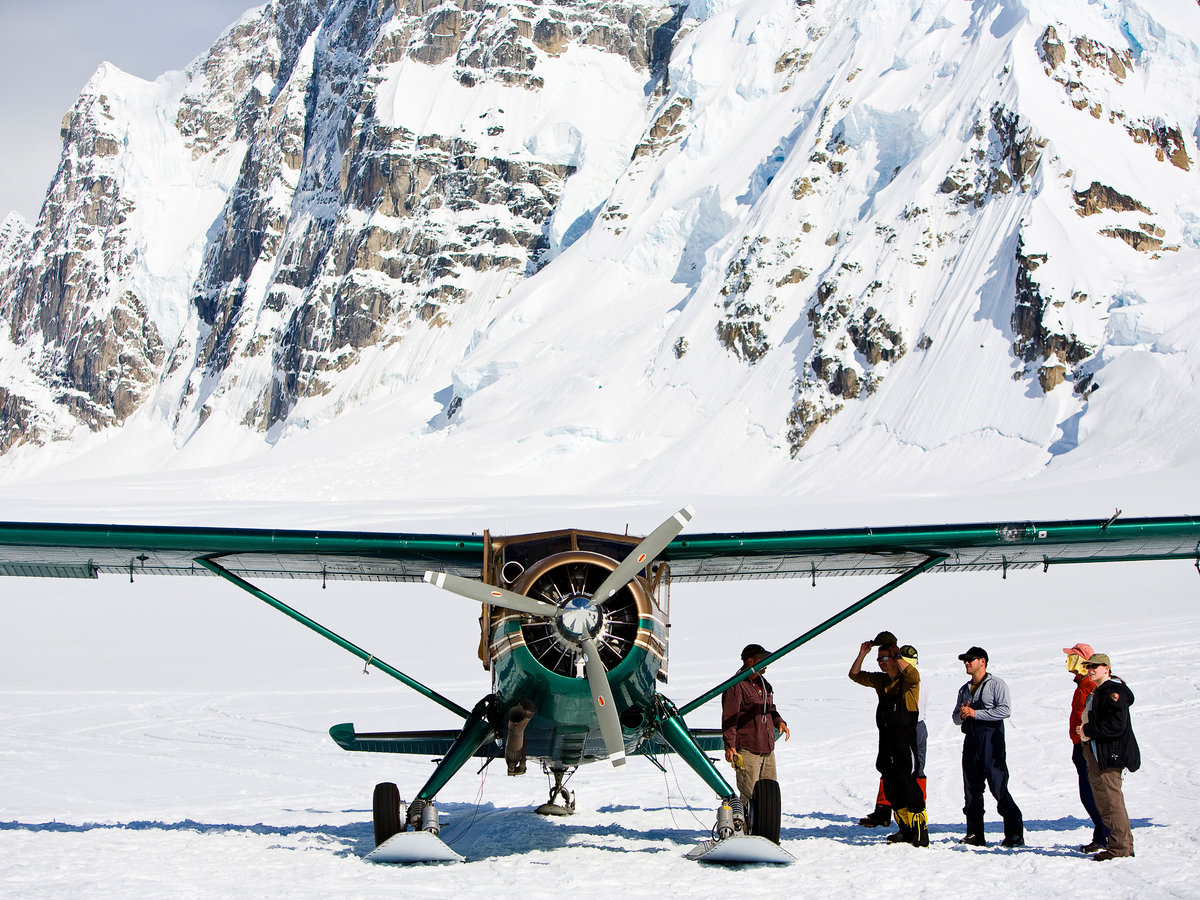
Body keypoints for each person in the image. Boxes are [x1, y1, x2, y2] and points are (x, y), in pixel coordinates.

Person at [850, 636, 928, 846]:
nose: (881, 662)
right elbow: (854, 675)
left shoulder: (909, 682)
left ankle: (920, 831)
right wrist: (863, 654)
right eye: (879, 659)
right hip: (886, 741)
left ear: (895, 657)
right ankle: (905, 830)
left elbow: (913, 674)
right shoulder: (881, 681)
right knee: (892, 787)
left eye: (885, 657)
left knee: (908, 784)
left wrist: (897, 654)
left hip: (905, 741)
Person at [952, 646, 1024, 847]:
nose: (966, 663)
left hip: (991, 741)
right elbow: (955, 717)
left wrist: (976, 714)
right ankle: (975, 833)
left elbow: (1005, 710)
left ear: (982, 661)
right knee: (971, 788)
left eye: (970, 659)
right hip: (971, 741)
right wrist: (963, 714)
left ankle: (1014, 832)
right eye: (964, 660)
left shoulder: (996, 684)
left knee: (998, 786)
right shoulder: (964, 688)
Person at [1077, 652, 1140, 861]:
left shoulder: (1113, 690)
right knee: (1107, 801)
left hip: (1108, 754)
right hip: (1098, 753)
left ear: (1107, 668)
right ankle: (1122, 845)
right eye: (1088, 667)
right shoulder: (1100, 691)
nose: (1090, 670)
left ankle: (1120, 848)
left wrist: (1088, 729)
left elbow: (1115, 725)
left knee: (1111, 801)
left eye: (1095, 666)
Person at [722, 643, 790, 810]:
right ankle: (744, 831)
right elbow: (729, 718)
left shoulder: (764, 684)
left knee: (769, 792)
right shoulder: (736, 685)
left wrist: (779, 721)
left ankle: (765, 831)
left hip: (767, 748)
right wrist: (730, 746)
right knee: (749, 795)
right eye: (763, 660)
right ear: (750, 661)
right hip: (747, 749)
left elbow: (770, 709)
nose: (766, 665)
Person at [1063, 641, 1109, 852]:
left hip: (1087, 745)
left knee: (1090, 793)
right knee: (1089, 792)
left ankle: (1105, 834)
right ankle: (1102, 834)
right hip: (1079, 744)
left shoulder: (1090, 685)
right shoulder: (1082, 684)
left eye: (1072, 657)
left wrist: (1085, 736)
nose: (1068, 662)